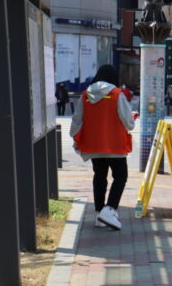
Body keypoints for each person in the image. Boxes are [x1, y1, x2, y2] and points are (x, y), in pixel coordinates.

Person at [70, 65, 135, 230]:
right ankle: (110, 209)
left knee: (99, 176)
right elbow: (129, 122)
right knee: (120, 176)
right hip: (114, 145)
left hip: (93, 145)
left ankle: (99, 214)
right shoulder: (116, 94)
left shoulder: (85, 96)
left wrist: (76, 140)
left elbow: (77, 121)